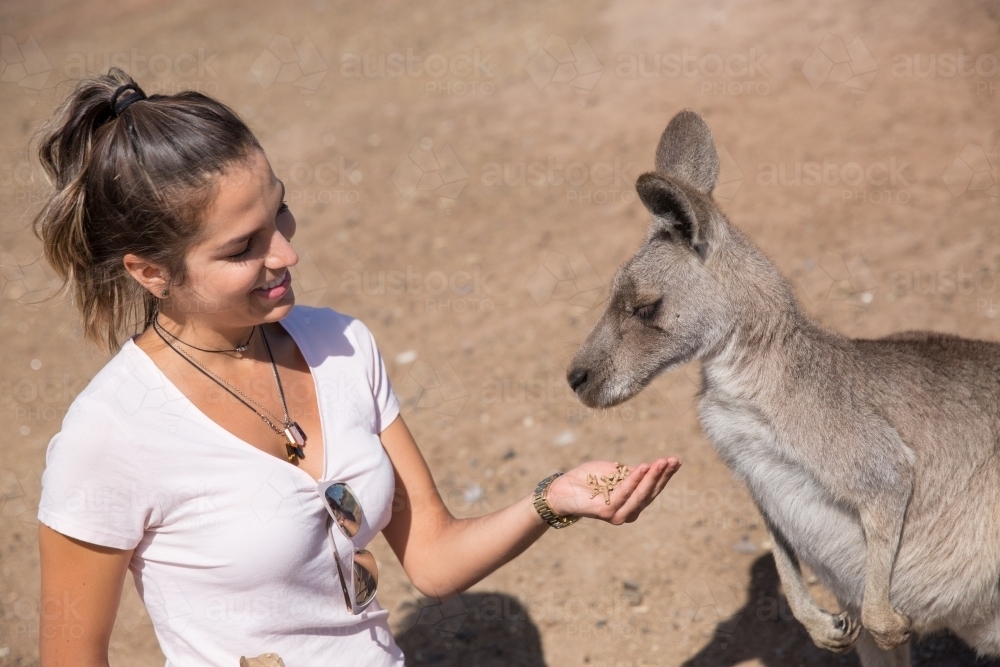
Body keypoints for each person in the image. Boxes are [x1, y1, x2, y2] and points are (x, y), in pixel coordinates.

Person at [33, 68, 681, 667]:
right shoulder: (109, 433)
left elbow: (431, 557)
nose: (285, 251)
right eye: (242, 247)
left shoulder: (341, 342)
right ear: (149, 271)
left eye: (279, 212)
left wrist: (553, 497)